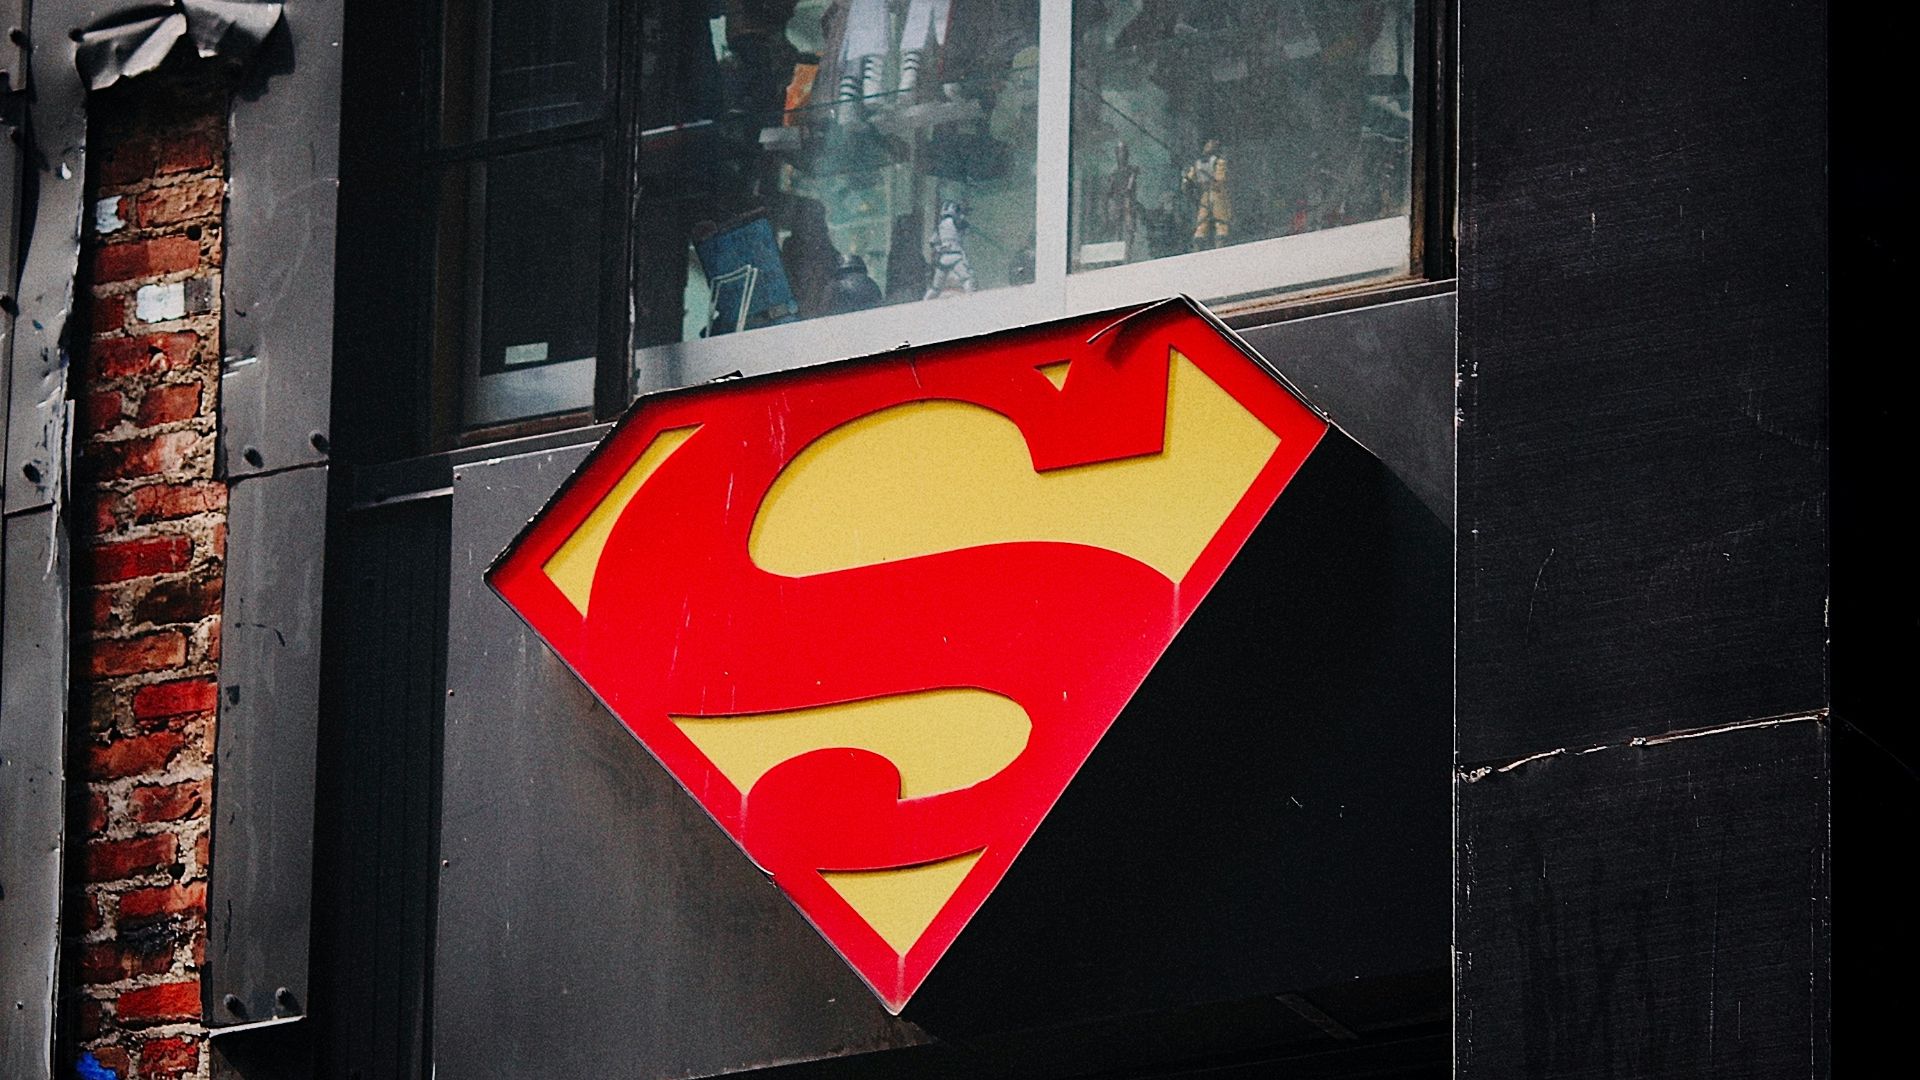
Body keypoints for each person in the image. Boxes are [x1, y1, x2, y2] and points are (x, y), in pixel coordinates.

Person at [1183, 137, 1231, 249]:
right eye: (1209, 143)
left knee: (1220, 217)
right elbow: (1191, 176)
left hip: (1217, 192)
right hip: (1205, 192)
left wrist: (1216, 181)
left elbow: (1221, 177)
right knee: (1202, 218)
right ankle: (1199, 239)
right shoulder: (1198, 163)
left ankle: (1221, 239)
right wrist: (1187, 182)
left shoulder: (1218, 161)